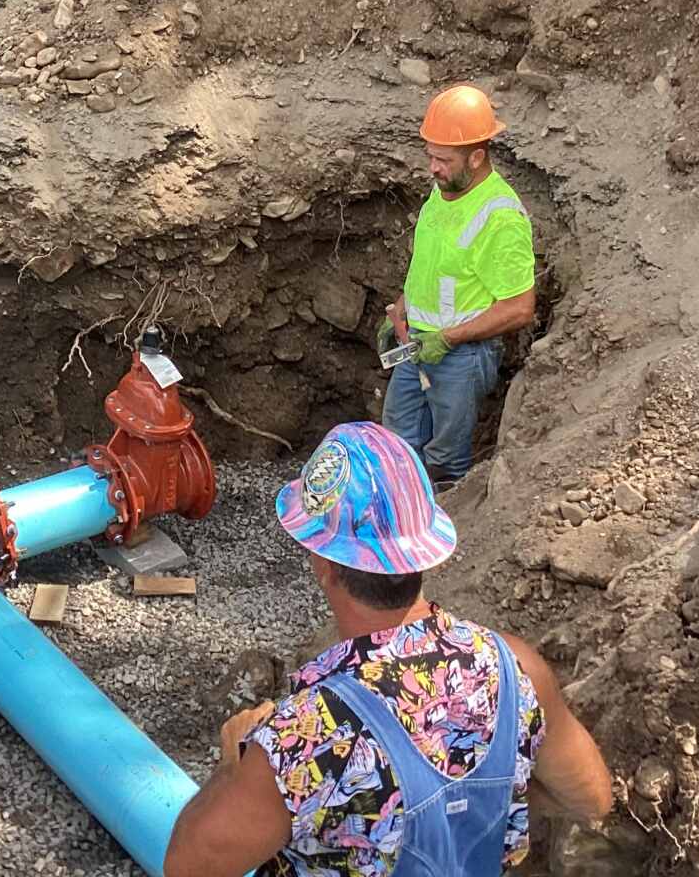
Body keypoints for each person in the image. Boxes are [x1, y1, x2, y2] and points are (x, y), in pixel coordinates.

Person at [165, 422, 612, 877]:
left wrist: (231, 767)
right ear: (423, 553)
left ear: (324, 563)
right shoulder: (513, 666)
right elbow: (591, 797)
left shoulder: (306, 736)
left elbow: (187, 866)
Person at [380, 85, 538, 484]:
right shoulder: (444, 190)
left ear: (477, 156)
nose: (433, 167)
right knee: (398, 442)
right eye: (430, 156)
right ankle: (398, 515)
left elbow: (519, 307)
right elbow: (434, 265)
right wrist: (402, 307)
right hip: (417, 342)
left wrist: (450, 338)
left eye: (443, 159)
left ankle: (447, 526)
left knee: (445, 457)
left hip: (461, 356)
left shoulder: (500, 218)